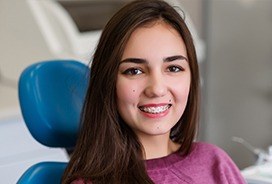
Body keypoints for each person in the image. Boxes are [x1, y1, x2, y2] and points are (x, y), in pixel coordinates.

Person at [62, 0, 246, 183]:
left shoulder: (215, 162)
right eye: (134, 71)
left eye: (173, 68)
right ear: (108, 82)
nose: (157, 89)